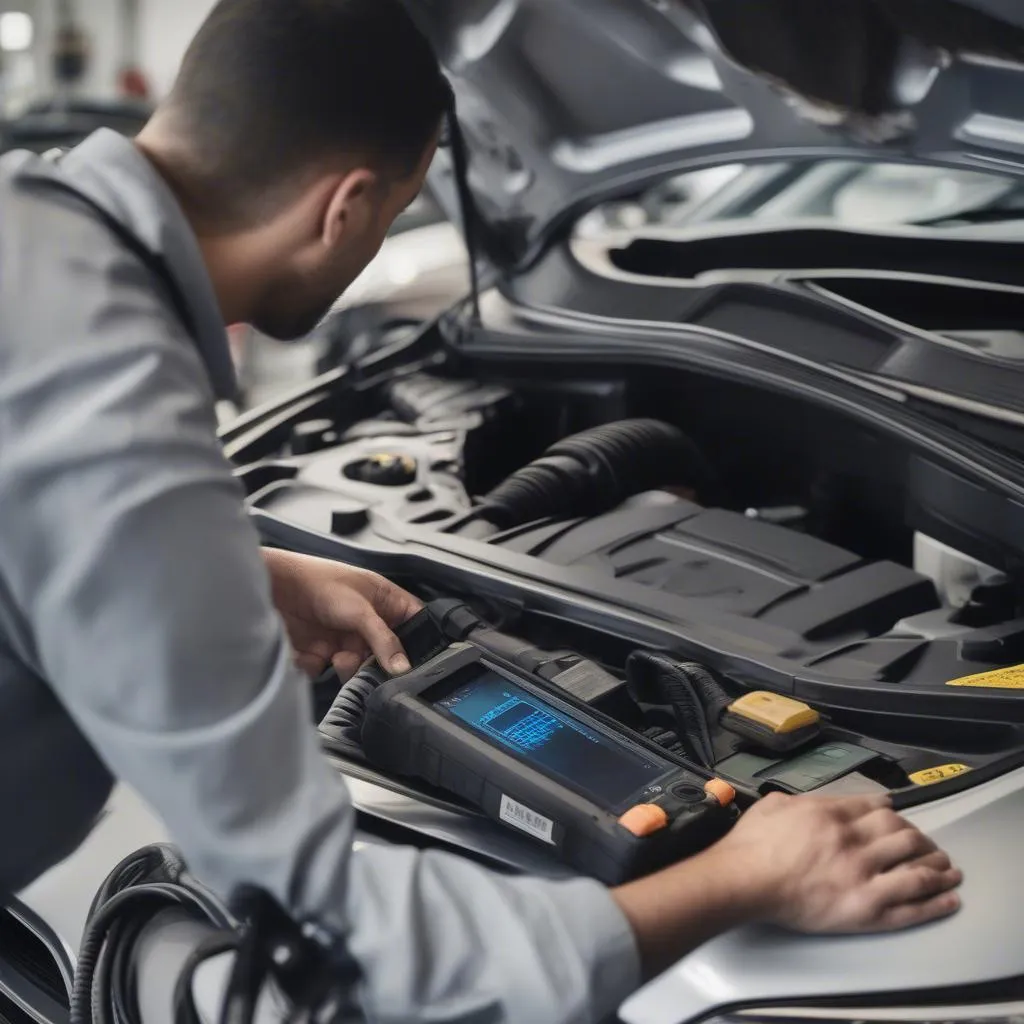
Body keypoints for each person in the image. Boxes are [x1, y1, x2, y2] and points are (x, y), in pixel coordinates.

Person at [0, 1, 962, 1021]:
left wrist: (236, 568)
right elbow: (355, 944)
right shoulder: (120, 408)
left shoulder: (34, 248)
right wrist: (743, 877)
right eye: (390, 216)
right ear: (345, 208)